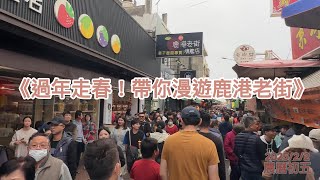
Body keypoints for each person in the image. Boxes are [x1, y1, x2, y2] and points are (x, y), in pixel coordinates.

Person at [160, 106, 220, 180]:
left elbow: (162, 173)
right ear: (200, 121)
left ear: (181, 120)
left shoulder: (169, 141)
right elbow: (214, 177)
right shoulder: (209, 144)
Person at [234, 116, 263, 180]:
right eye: (256, 124)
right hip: (256, 170)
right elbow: (262, 156)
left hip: (244, 169)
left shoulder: (237, 136)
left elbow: (236, 151)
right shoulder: (256, 138)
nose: (258, 126)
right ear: (251, 125)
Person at [199, 111, 226, 180]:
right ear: (210, 123)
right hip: (213, 173)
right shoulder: (217, 138)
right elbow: (221, 162)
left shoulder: (193, 138)